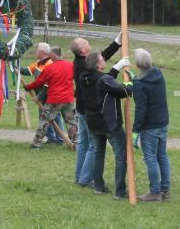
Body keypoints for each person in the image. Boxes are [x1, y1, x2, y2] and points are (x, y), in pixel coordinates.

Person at [72, 34, 122, 187]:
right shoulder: (83, 65)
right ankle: (85, 178)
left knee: (83, 144)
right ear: (83, 51)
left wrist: (116, 43)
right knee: (93, 146)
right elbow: (101, 75)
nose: (88, 42)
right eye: (85, 42)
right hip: (88, 109)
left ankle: (80, 176)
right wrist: (116, 68)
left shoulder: (81, 62)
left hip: (82, 108)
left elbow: (101, 57)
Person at [80, 51, 132, 198]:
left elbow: (107, 82)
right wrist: (131, 83)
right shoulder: (103, 80)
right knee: (121, 154)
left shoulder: (84, 77)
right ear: (98, 65)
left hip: (93, 122)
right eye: (102, 59)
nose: (104, 60)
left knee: (98, 153)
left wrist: (117, 67)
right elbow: (123, 91)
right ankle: (120, 192)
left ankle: (98, 187)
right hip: (109, 123)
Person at [132, 48, 171, 202]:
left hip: (150, 126)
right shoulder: (158, 73)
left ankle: (155, 192)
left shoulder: (139, 84)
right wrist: (135, 80)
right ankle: (165, 190)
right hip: (163, 122)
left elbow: (140, 109)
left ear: (137, 65)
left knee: (150, 158)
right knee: (162, 156)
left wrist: (135, 131)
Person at [24, 42, 77, 149]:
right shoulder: (71, 65)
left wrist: (28, 87)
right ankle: (76, 144)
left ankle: (36, 143)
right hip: (69, 99)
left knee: (44, 121)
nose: (49, 56)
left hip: (55, 99)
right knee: (72, 122)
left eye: (50, 54)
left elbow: (39, 82)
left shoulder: (50, 68)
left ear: (53, 54)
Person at [21, 42, 60, 145]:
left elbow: (47, 84)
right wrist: (15, 66)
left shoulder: (49, 64)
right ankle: (52, 138)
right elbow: (28, 71)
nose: (36, 51)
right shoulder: (39, 62)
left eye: (37, 50)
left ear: (42, 52)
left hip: (49, 94)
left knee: (54, 116)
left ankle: (59, 139)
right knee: (44, 116)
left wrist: (38, 96)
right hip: (41, 94)